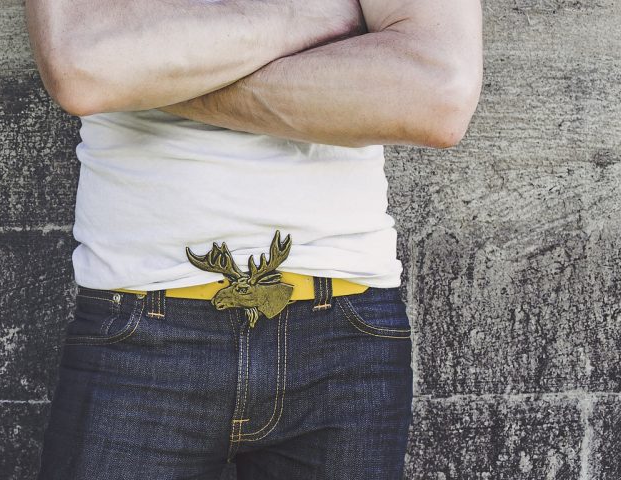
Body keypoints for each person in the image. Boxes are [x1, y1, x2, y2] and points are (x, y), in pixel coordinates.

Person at [25, 0, 482, 478]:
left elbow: (438, 96)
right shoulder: (329, 13)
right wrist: (313, 20)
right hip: (140, 325)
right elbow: (80, 69)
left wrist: (148, 74)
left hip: (344, 331)